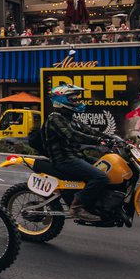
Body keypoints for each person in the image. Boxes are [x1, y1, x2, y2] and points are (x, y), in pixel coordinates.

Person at [42, 84, 111, 223]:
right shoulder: (55, 118)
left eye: (76, 98)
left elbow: (89, 130)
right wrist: (98, 141)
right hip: (64, 159)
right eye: (72, 99)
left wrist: (114, 139)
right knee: (101, 177)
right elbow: (72, 135)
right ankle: (77, 207)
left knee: (108, 166)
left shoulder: (70, 118)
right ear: (61, 100)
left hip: (76, 156)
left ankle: (98, 205)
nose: (76, 101)